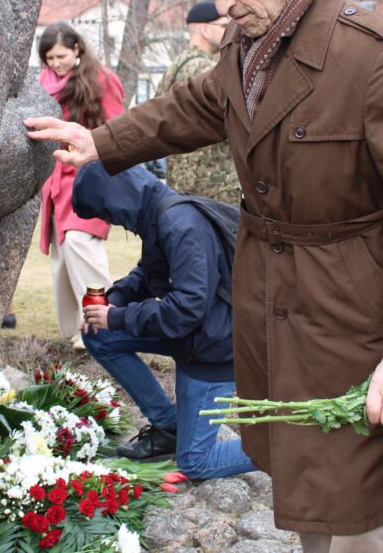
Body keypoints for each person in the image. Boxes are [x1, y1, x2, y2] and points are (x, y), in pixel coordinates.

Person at [25, 0, 383, 551]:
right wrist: (99, 141)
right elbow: (197, 106)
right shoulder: (252, 41)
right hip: (276, 306)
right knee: (306, 487)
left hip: (353, 316)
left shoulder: (375, 57)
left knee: (356, 503)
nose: (219, 2)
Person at [72, 161, 256, 479]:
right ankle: (169, 426)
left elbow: (187, 307)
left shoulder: (179, 222)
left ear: (117, 199)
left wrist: (118, 317)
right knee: (98, 334)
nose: (111, 222)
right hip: (193, 335)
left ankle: (289, 444)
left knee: (196, 462)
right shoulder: (159, 214)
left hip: (214, 348)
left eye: (107, 213)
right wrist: (112, 302)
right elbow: (148, 272)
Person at [36, 22, 125, 350]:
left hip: (90, 178)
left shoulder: (101, 80)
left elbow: (118, 129)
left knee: (80, 244)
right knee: (62, 257)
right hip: (57, 183)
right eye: (49, 58)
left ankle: (104, 325)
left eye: (60, 55)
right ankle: (79, 331)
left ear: (77, 50)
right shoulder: (44, 86)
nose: (55, 63)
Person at [155, 2, 241, 203]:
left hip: (181, 185)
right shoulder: (206, 69)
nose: (230, 32)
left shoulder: (174, 68)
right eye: (223, 26)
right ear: (204, 29)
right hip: (215, 184)